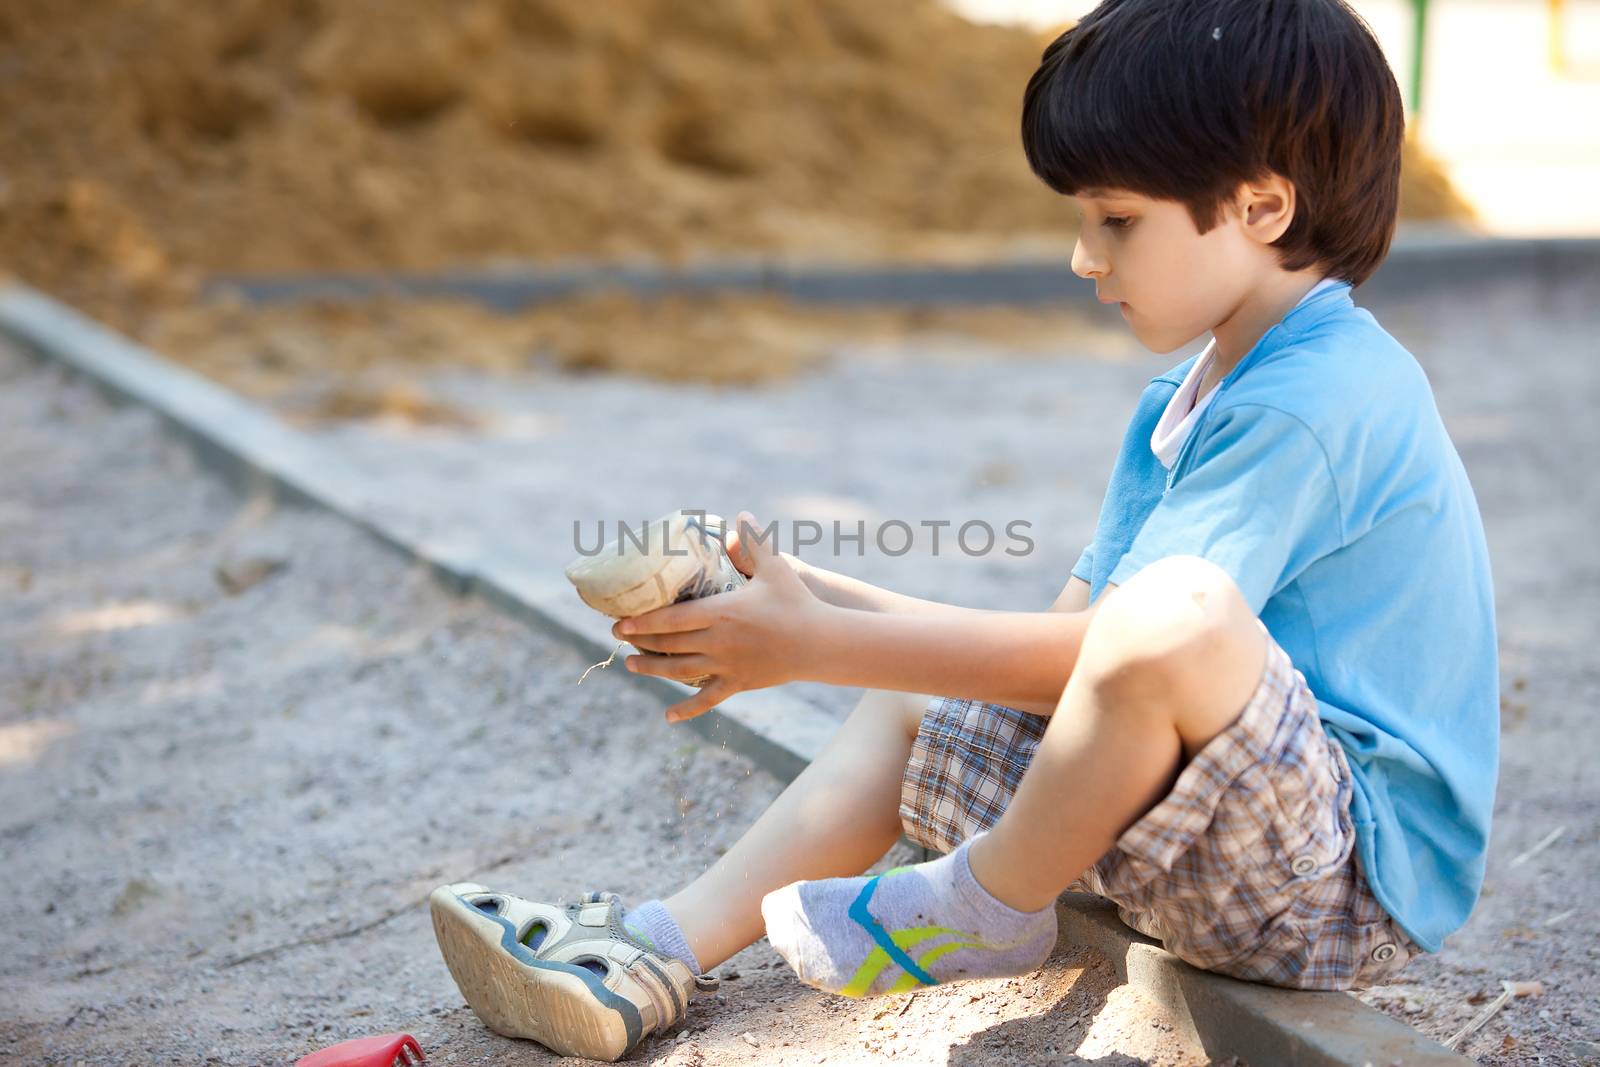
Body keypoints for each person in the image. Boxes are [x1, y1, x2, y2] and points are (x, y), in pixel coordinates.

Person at [427, 0, 1499, 1059]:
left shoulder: (1317, 398)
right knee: (933, 682)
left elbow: (1137, 642)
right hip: (1220, 839)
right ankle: (646, 954)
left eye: (1115, 219)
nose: (1085, 257)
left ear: (1262, 207)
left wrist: (817, 644)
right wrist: (789, 596)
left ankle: (985, 903)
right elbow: (1064, 660)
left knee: (1180, 611)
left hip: (1335, 880)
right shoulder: (1188, 396)